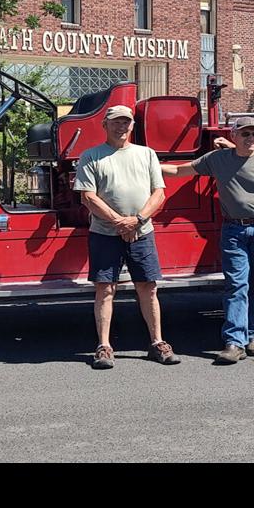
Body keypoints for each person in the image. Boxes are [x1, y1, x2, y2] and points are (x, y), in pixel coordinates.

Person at [163, 117, 254, 363]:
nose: (252, 138)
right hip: (234, 231)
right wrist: (143, 163)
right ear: (234, 135)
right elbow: (180, 171)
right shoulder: (217, 159)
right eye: (246, 133)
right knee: (236, 285)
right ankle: (234, 342)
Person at [74, 104, 180, 368]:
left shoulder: (146, 154)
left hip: (142, 232)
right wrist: (119, 222)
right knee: (105, 289)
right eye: (116, 122)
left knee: (148, 288)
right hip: (104, 234)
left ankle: (157, 343)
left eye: (126, 122)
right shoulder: (91, 156)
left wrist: (137, 220)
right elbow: (87, 196)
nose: (121, 127)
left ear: (132, 126)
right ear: (105, 125)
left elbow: (159, 193)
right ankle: (104, 347)